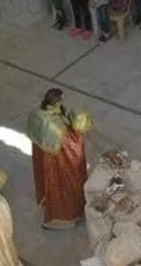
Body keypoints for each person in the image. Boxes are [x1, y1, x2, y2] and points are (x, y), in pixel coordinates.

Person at [27, 89, 94, 229]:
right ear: (57, 101)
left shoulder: (38, 114)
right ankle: (65, 218)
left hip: (46, 158)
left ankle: (47, 199)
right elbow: (71, 146)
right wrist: (78, 132)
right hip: (59, 162)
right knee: (65, 186)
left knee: (49, 181)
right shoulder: (56, 126)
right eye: (62, 99)